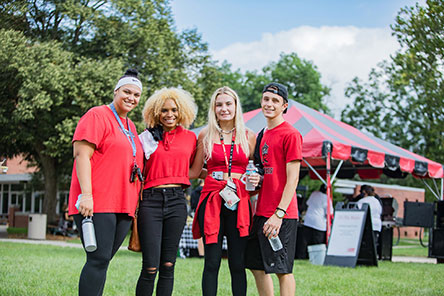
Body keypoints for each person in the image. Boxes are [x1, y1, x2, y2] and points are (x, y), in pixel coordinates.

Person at [68, 69, 144, 296]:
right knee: (98, 259)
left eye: (136, 95)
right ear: (116, 91)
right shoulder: (97, 115)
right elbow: (81, 156)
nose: (131, 97)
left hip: (123, 204)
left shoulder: (130, 126)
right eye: (126, 92)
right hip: (97, 201)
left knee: (103, 261)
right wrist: (87, 196)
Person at [191, 86, 257, 296]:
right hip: (211, 200)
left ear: (236, 106)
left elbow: (255, 170)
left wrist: (250, 179)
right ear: (213, 108)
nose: (224, 108)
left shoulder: (249, 136)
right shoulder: (205, 134)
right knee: (212, 262)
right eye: (219, 104)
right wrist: (213, 176)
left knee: (237, 263)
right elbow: (194, 171)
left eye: (228, 104)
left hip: (239, 202)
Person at [136, 87, 201, 296]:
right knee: (150, 266)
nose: (170, 114)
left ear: (181, 111)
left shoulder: (191, 138)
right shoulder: (145, 137)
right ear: (156, 113)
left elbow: (194, 170)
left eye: (174, 110)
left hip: (177, 202)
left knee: (168, 264)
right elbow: (136, 171)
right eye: (164, 110)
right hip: (150, 201)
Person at [245, 82, 303, 296]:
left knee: (282, 269)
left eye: (275, 101)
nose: (269, 104)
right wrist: (257, 178)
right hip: (261, 211)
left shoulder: (291, 134)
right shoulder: (261, 135)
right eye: (266, 99)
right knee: (256, 265)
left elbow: (292, 178)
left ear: (284, 106)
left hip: (282, 214)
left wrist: (279, 214)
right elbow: (266, 171)